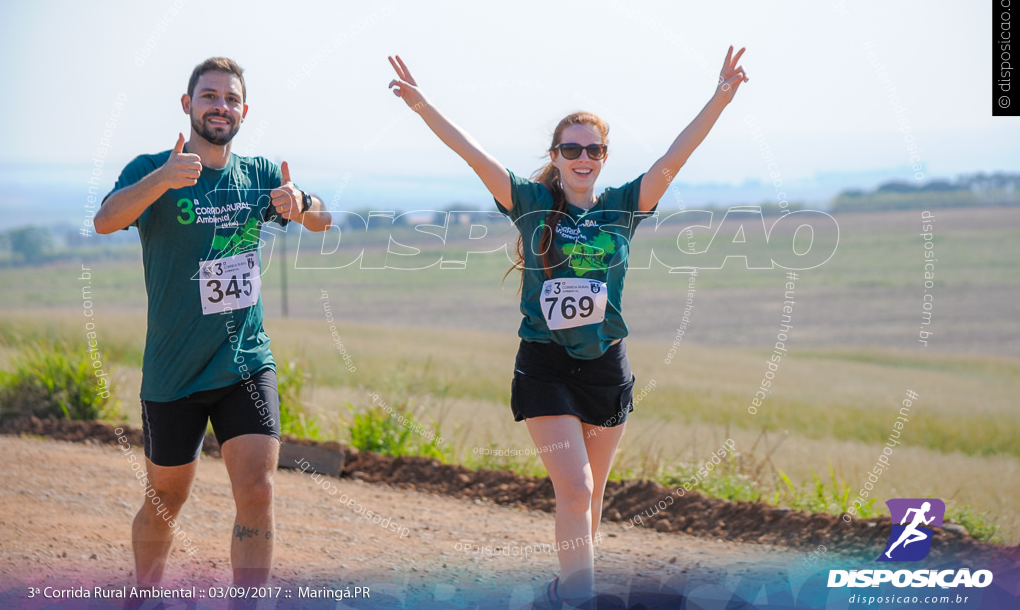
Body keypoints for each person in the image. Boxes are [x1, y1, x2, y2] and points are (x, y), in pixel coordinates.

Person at [388, 48, 747, 606]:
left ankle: (563, 588)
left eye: (593, 149)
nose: (583, 157)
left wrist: (720, 96)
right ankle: (579, 598)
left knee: (591, 495)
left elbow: (679, 154)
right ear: (555, 156)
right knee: (575, 487)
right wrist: (422, 105)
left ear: (604, 157)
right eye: (571, 148)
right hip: (545, 363)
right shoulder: (530, 202)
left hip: (606, 365)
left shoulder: (626, 206)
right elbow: (471, 154)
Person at [94, 57, 331, 603]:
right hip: (175, 371)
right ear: (188, 105)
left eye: (230, 99)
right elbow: (105, 220)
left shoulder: (260, 174)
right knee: (165, 498)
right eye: (209, 96)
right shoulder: (154, 167)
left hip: (245, 362)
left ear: (243, 111)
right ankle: (144, 593)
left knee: (258, 488)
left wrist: (302, 205)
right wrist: (162, 180)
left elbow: (323, 218)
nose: (220, 106)